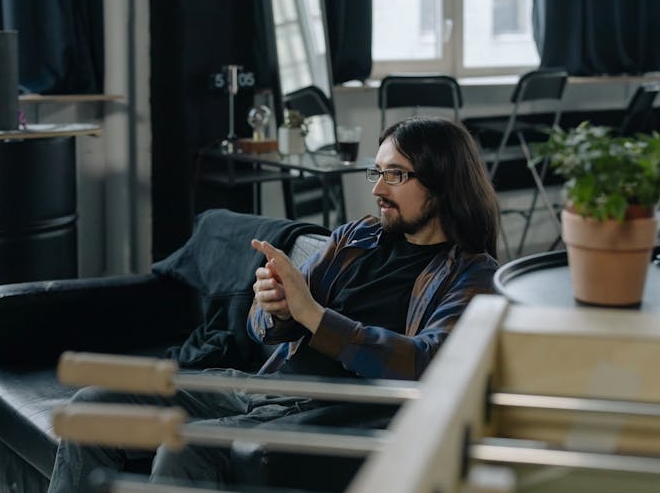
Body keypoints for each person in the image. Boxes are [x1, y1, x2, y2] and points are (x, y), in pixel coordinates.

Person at [47, 116, 500, 492]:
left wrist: (312, 315)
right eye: (376, 172)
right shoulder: (354, 237)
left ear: (441, 181)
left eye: (395, 174)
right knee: (92, 408)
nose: (378, 189)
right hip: (259, 386)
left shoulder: (471, 274)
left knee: (186, 447)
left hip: (330, 410)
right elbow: (264, 326)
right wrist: (276, 307)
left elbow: (426, 363)